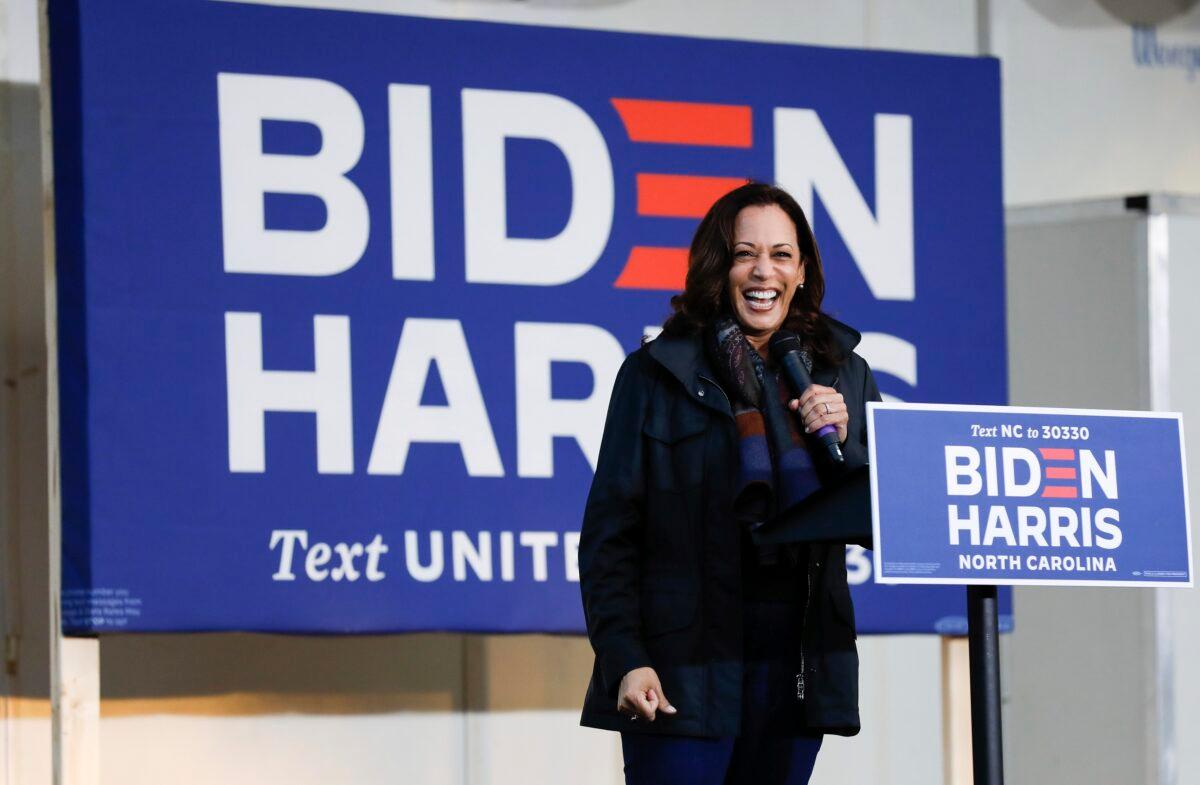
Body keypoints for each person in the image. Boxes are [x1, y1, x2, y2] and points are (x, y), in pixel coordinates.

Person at [578, 182, 882, 785]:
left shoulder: (844, 374)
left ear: (801, 272)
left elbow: (884, 517)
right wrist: (626, 660)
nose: (762, 271)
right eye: (745, 254)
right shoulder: (654, 375)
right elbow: (610, 537)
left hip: (794, 671)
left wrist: (844, 443)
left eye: (781, 255)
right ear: (720, 267)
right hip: (681, 670)